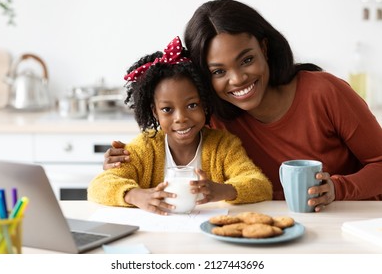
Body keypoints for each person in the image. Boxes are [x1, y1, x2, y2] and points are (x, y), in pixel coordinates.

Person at [103, 0, 382, 212]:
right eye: (218, 71)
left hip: (349, 219)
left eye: (246, 60)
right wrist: (120, 163)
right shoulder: (211, 116)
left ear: (264, 47)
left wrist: (337, 188)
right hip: (266, 228)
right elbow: (164, 146)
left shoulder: (324, 92)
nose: (237, 80)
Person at [88, 36, 273, 215]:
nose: (181, 118)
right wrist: (135, 195)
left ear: (205, 104)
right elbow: (99, 185)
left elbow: (260, 184)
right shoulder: (145, 148)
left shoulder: (223, 146)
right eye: (167, 109)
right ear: (155, 112)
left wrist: (222, 190)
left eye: (192, 105)